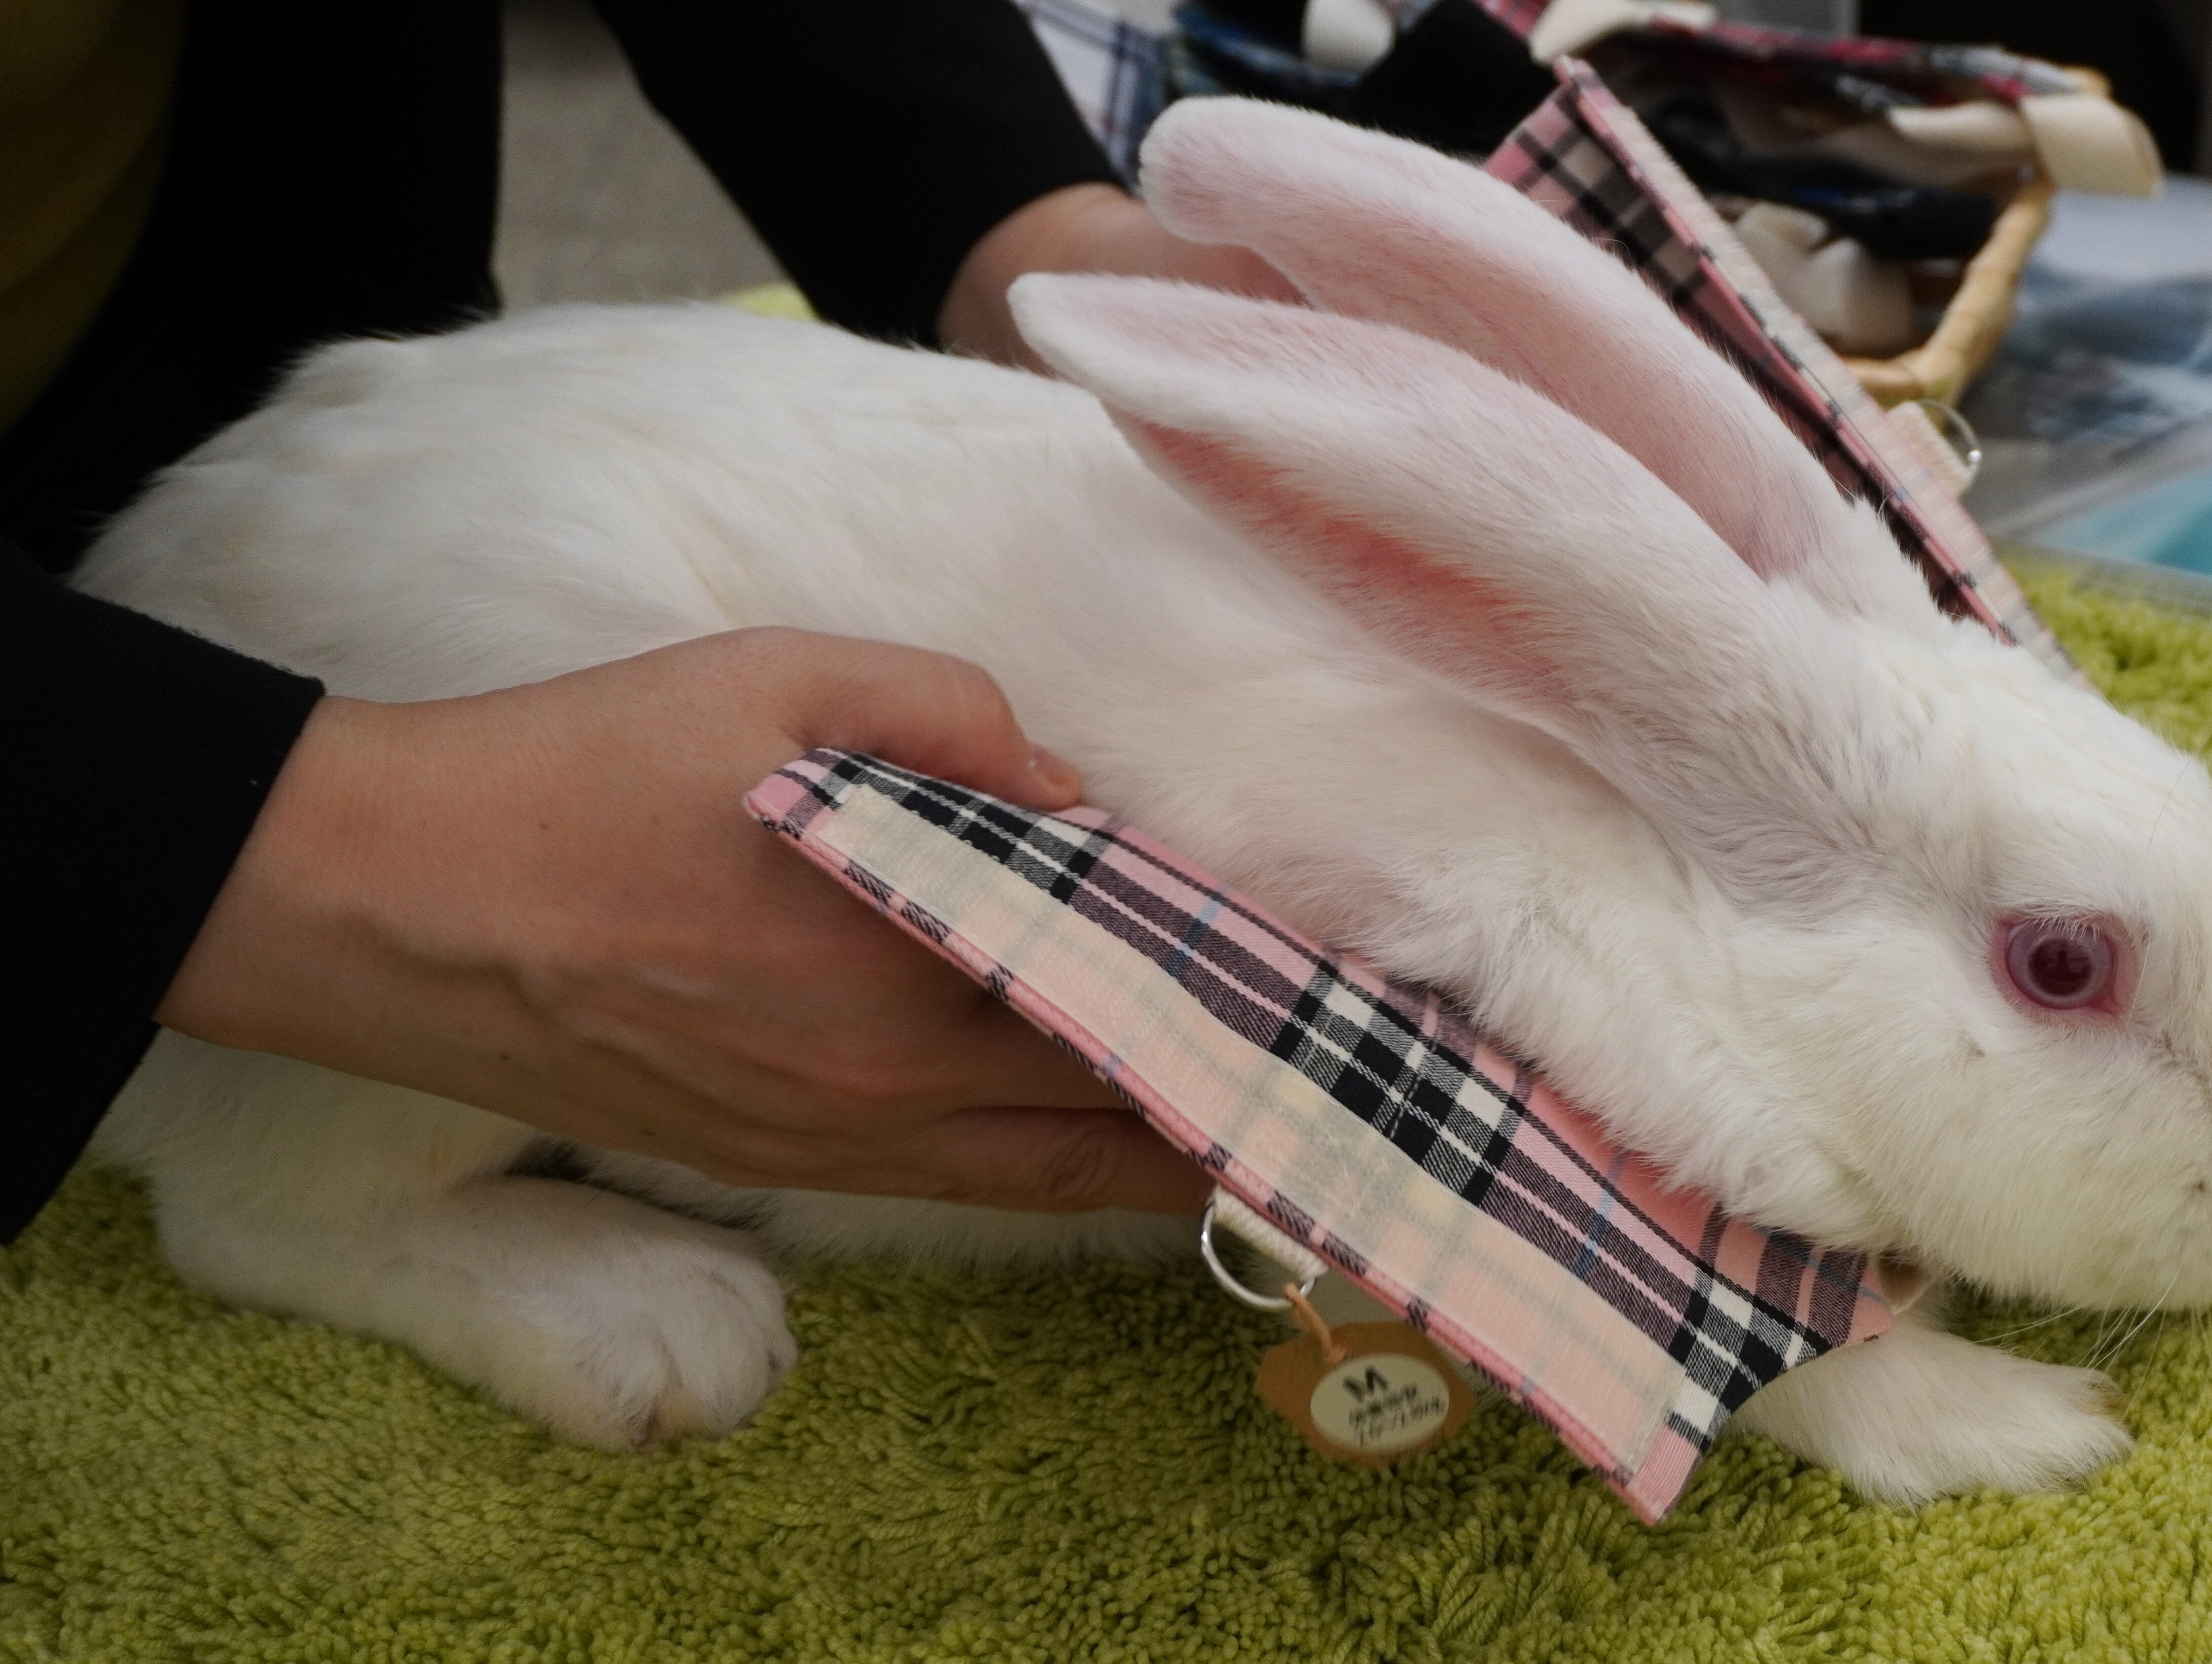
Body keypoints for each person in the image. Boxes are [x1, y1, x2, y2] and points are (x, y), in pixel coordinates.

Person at [5, 0, 1289, 1237]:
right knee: (504, 602)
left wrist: (1029, 230)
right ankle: (301, 1203)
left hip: (231, 353)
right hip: (141, 725)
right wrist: (289, 849)